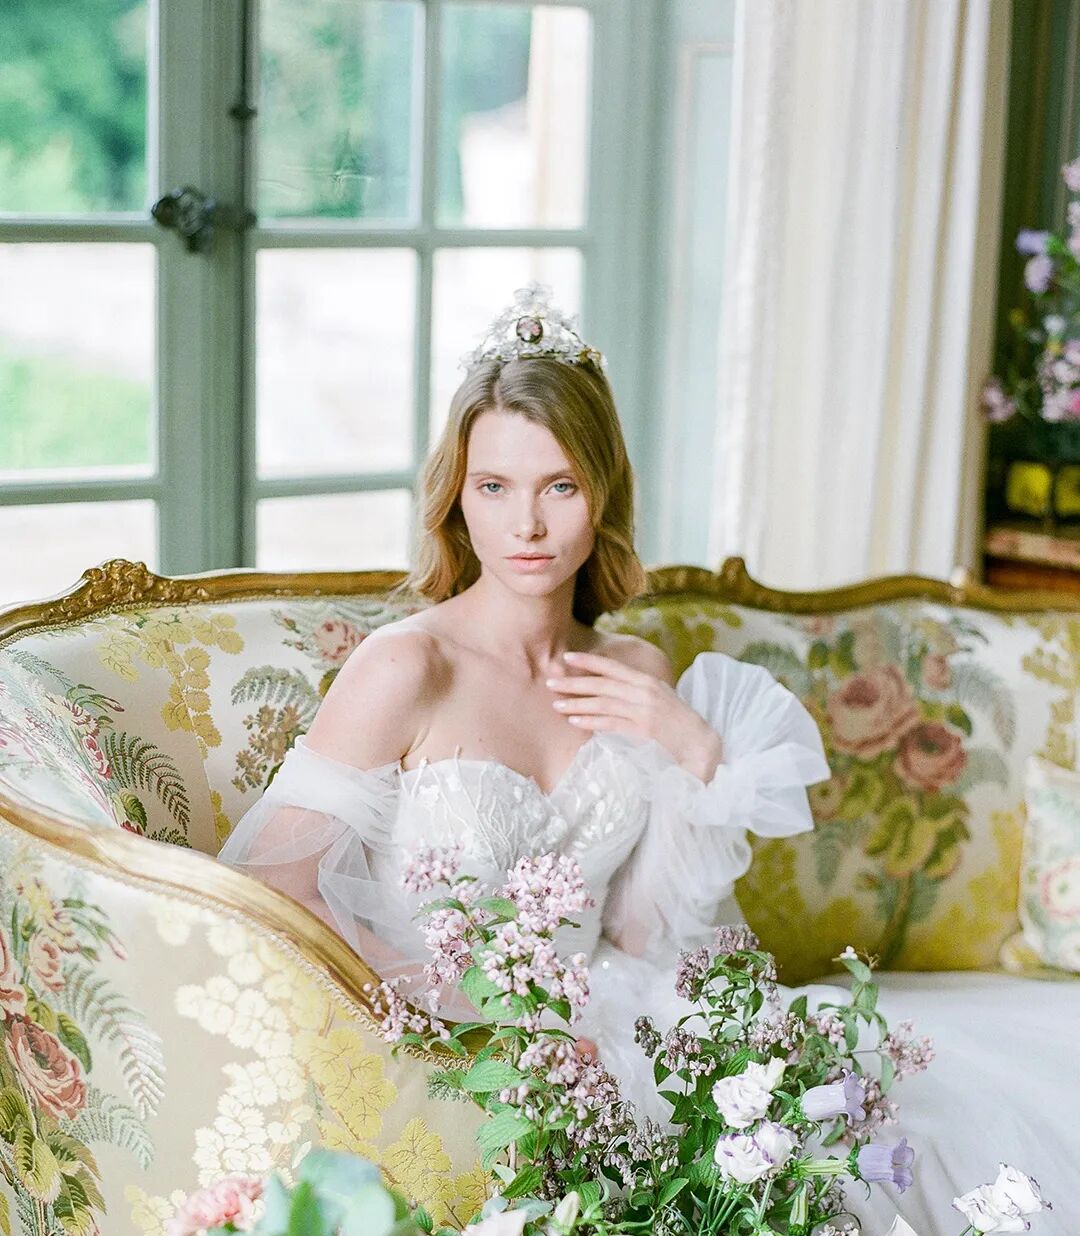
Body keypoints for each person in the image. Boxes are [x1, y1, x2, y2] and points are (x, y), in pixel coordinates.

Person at [218, 283, 829, 1119]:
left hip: (606, 1036)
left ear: (603, 492)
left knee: (819, 1124)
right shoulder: (409, 669)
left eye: (560, 486)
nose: (527, 526)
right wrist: (482, 1026)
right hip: (434, 1048)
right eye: (495, 487)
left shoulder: (635, 670)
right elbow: (279, 890)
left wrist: (693, 754)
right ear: (457, 498)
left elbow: (641, 936)